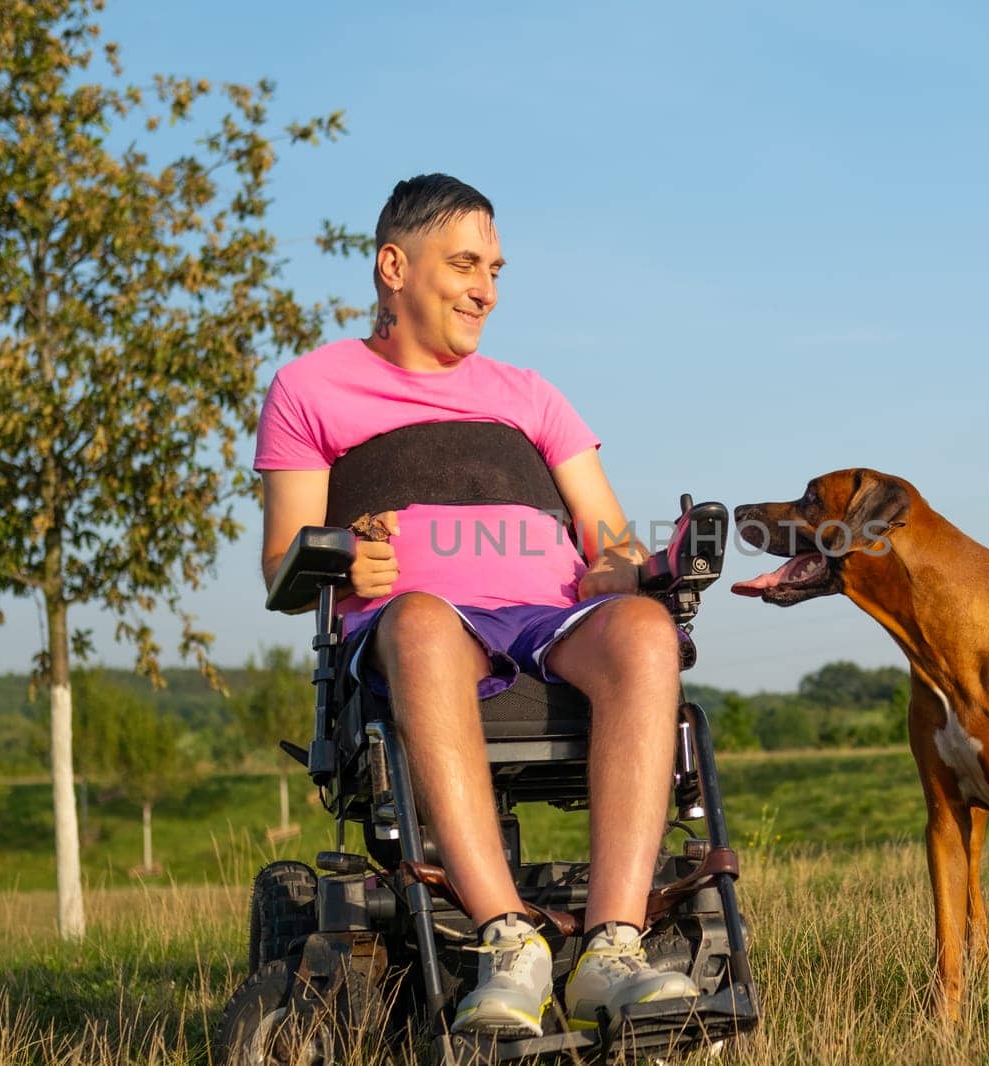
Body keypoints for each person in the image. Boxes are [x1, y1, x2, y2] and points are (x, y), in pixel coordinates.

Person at [254, 174, 698, 1036]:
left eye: (495, 268)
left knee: (646, 629)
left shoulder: (529, 393)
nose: (485, 288)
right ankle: (508, 940)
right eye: (464, 264)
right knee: (419, 620)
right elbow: (282, 564)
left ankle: (613, 947)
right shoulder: (311, 389)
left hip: (549, 619)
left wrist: (632, 569)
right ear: (394, 266)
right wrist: (344, 560)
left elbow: (608, 539)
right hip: (417, 626)